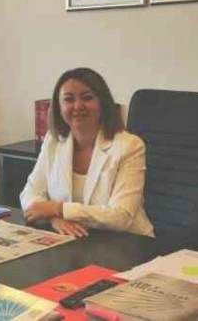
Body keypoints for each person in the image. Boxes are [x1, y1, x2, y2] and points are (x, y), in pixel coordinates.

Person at [20, 68, 154, 238]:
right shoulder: (54, 140)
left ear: (102, 103)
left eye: (87, 98)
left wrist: (59, 209)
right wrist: (53, 218)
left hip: (127, 241)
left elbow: (121, 216)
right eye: (69, 99)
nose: (78, 106)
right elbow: (30, 193)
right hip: (76, 239)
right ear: (59, 107)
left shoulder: (129, 146)